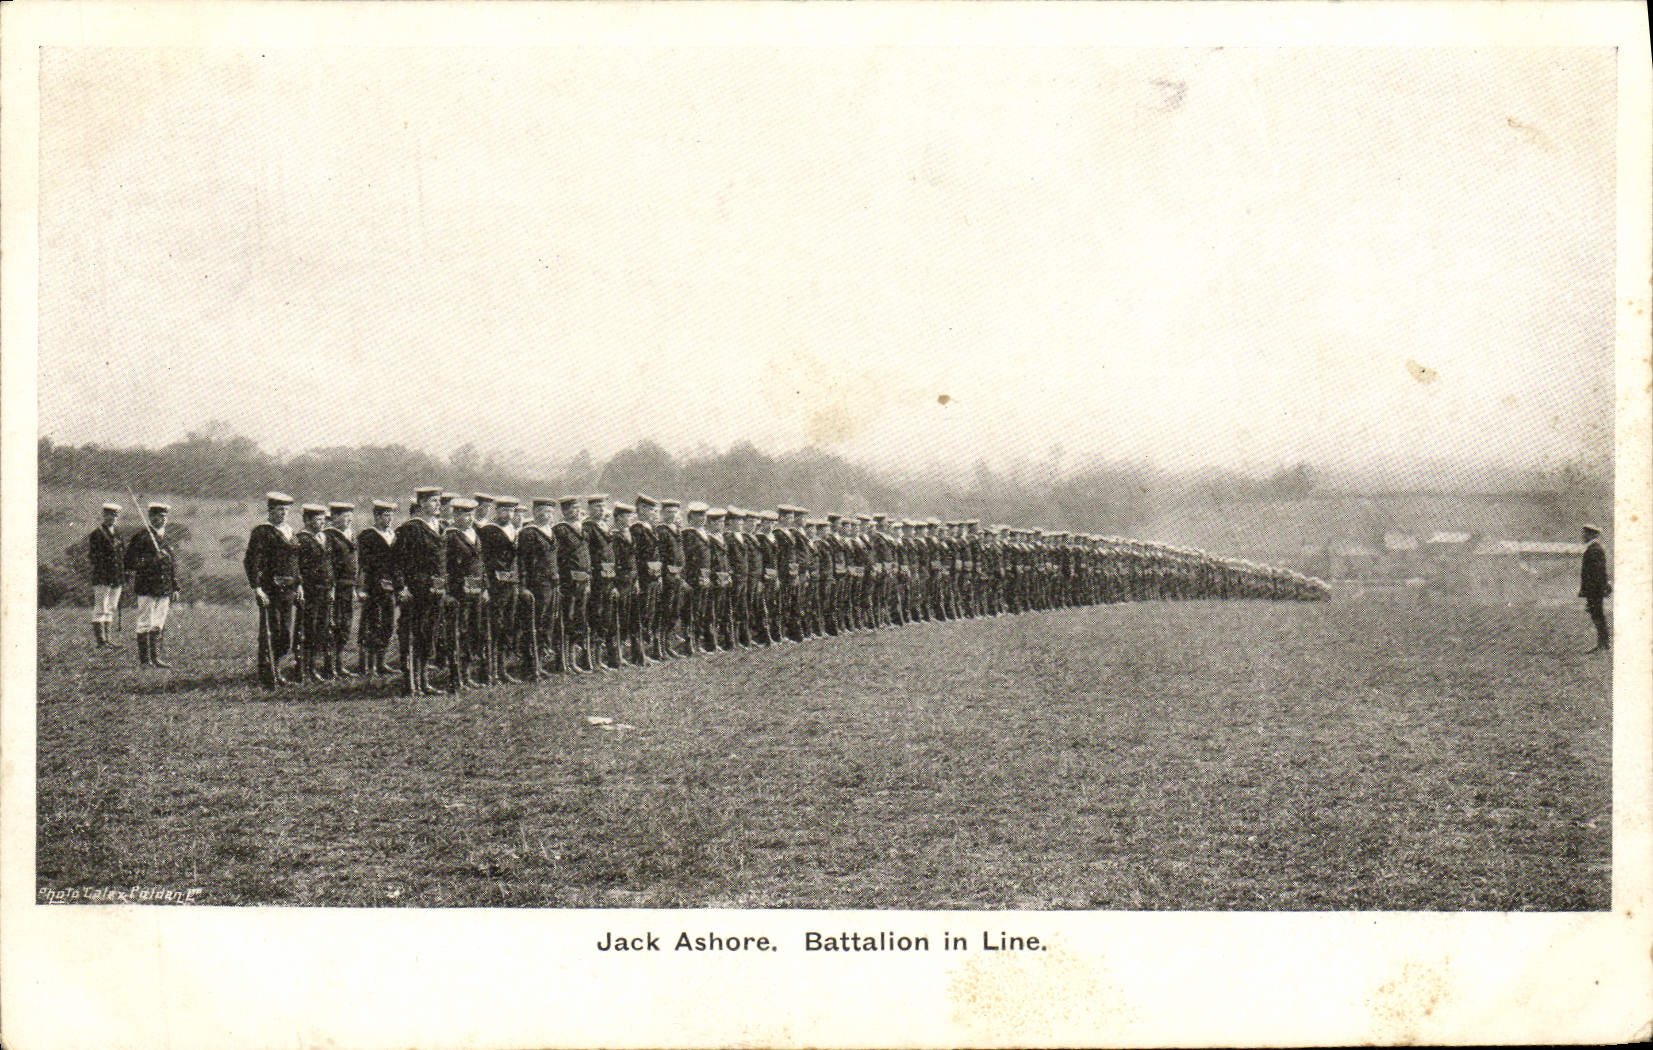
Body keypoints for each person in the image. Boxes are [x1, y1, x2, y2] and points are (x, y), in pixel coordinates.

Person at [395, 486, 447, 696]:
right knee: (413, 634)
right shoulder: (411, 528)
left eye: (438, 501)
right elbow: (397, 560)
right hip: (416, 588)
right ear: (422, 503)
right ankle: (411, 684)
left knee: (429, 633)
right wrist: (401, 587)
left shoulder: (440, 526)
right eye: (433, 501)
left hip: (436, 588)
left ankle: (424, 681)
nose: (437, 505)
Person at [245, 492, 301, 686]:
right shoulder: (262, 532)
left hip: (289, 590)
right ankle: (268, 674)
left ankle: (277, 667)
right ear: (270, 511)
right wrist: (257, 588)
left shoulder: (290, 532)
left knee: (285, 632)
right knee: (271, 631)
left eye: (286, 510)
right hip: (270, 590)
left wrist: (299, 584)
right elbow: (251, 561)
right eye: (279, 510)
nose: (284, 513)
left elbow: (295, 562)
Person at [123, 502, 179, 668]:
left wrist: (175, 586)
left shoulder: (167, 539)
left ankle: (155, 658)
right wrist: (152, 560)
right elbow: (129, 562)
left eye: (162, 516)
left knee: (158, 623)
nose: (159, 520)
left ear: (166, 518)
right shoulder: (141, 537)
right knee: (145, 622)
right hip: (147, 586)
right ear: (149, 517)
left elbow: (172, 566)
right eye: (155, 516)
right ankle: (144, 660)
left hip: (164, 587)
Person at [518, 498, 562, 677]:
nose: (547, 515)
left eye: (550, 512)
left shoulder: (550, 532)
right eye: (543, 512)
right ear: (535, 513)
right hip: (536, 584)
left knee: (547, 622)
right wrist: (523, 586)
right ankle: (530, 664)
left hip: (551, 583)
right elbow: (521, 561)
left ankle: (541, 661)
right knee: (534, 622)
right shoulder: (528, 533)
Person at [356, 500, 400, 677]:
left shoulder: (394, 536)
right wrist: (362, 587)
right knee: (371, 624)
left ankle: (381, 662)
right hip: (373, 586)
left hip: (389, 587)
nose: (388, 519)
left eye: (390, 515)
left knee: (387, 624)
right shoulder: (367, 536)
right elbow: (363, 564)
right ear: (376, 516)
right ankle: (368, 665)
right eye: (384, 515)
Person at [295, 505, 335, 682]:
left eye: (323, 519)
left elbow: (329, 565)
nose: (321, 523)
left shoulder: (324, 537)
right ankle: (304, 669)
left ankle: (315, 667)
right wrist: (299, 586)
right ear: (308, 520)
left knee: (322, 629)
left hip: (325, 590)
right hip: (309, 591)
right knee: (307, 629)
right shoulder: (301, 539)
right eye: (317, 519)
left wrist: (331, 587)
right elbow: (296, 566)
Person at [324, 502, 360, 679]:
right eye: (345, 516)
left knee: (345, 626)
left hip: (348, 587)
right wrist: (331, 586)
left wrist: (354, 587)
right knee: (333, 626)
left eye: (350, 516)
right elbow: (328, 565)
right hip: (335, 588)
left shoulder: (351, 535)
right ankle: (329, 666)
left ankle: (339, 665)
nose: (349, 520)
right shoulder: (329, 536)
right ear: (335, 518)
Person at [87, 502, 126, 649]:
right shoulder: (97, 534)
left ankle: (108, 639)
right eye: (109, 515)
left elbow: (122, 555)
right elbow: (94, 557)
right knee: (101, 608)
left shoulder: (118, 534)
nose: (112, 518)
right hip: (103, 577)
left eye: (115, 516)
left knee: (111, 608)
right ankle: (101, 641)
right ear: (104, 516)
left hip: (116, 577)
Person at [1580, 524, 1612, 653]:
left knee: (1597, 616)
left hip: (1594, 589)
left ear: (1591, 534)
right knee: (1597, 615)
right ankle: (1603, 643)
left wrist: (1597, 589)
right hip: (1594, 589)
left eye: (1585, 534)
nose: (1583, 536)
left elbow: (1598, 572)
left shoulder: (1594, 549)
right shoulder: (1594, 548)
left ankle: (1603, 644)